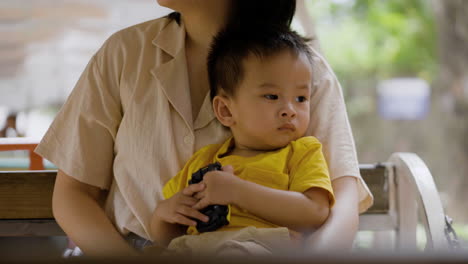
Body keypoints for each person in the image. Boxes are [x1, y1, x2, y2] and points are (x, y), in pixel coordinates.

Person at [34, 0, 373, 257]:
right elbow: (73, 195)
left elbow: (340, 207)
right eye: (270, 96)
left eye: (296, 100)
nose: (290, 105)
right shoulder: (123, 54)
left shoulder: (305, 71)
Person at [149, 26, 335, 256]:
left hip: (261, 246)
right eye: (272, 96)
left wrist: (238, 191)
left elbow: (315, 213)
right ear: (226, 110)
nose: (290, 110)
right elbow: (170, 238)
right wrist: (162, 216)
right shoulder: (204, 160)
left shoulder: (302, 152)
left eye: (301, 98)